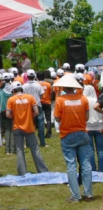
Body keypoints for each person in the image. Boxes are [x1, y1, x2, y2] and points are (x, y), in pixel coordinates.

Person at [54, 74, 93, 203]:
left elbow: (57, 118)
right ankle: (88, 193)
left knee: (71, 165)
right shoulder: (83, 99)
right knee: (85, 164)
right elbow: (86, 118)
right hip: (82, 132)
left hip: (67, 134)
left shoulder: (60, 100)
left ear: (64, 87)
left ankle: (76, 196)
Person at [6, 82, 48, 176]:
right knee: (35, 149)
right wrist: (29, 116)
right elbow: (36, 112)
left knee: (20, 150)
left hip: (17, 127)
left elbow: (8, 115)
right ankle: (42, 170)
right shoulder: (30, 98)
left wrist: (15, 116)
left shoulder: (11, 100)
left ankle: (22, 172)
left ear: (13, 91)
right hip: (29, 126)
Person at [22, 69, 46, 147]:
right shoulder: (38, 85)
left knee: (29, 124)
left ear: (28, 77)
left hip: (28, 107)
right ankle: (42, 142)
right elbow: (42, 95)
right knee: (40, 124)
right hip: (38, 105)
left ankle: (28, 143)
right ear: (34, 76)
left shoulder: (24, 86)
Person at [39, 71, 55, 139]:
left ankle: (40, 133)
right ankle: (49, 133)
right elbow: (51, 93)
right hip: (47, 102)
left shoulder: (37, 84)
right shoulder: (48, 84)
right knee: (48, 119)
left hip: (40, 103)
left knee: (40, 119)